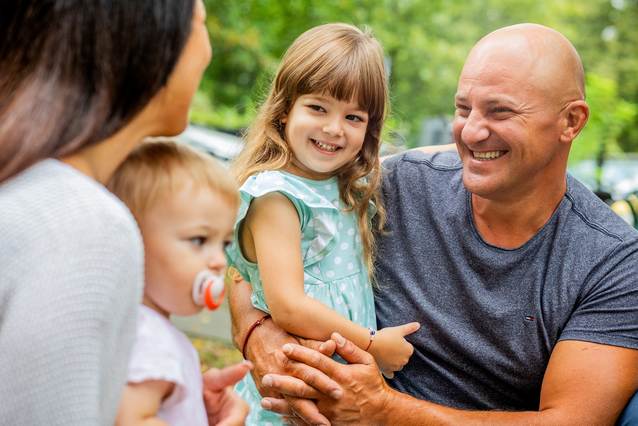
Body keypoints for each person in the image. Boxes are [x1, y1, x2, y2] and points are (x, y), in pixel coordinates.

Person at [228, 23, 638, 425]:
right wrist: (258, 334)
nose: (471, 132)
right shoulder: (401, 184)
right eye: (463, 109)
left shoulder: (612, 262)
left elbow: (573, 421)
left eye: (501, 111)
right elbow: (246, 260)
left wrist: (382, 411)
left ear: (571, 122)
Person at [0, 1, 245, 424]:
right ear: (149, 40)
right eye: (200, 22)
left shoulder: (41, 192)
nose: (207, 49)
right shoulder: (87, 227)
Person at [225, 23, 420, 425]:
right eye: (318, 108)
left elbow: (414, 157)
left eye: (353, 116)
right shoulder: (276, 196)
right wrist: (371, 344)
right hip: (289, 396)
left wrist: (467, 144)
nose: (334, 129)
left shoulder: (344, 184)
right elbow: (289, 306)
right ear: (284, 110)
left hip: (336, 388)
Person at [109, 141, 250, 425]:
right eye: (199, 240)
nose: (219, 261)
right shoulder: (150, 339)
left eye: (223, 243)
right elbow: (130, 420)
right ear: (132, 239)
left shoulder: (132, 324)